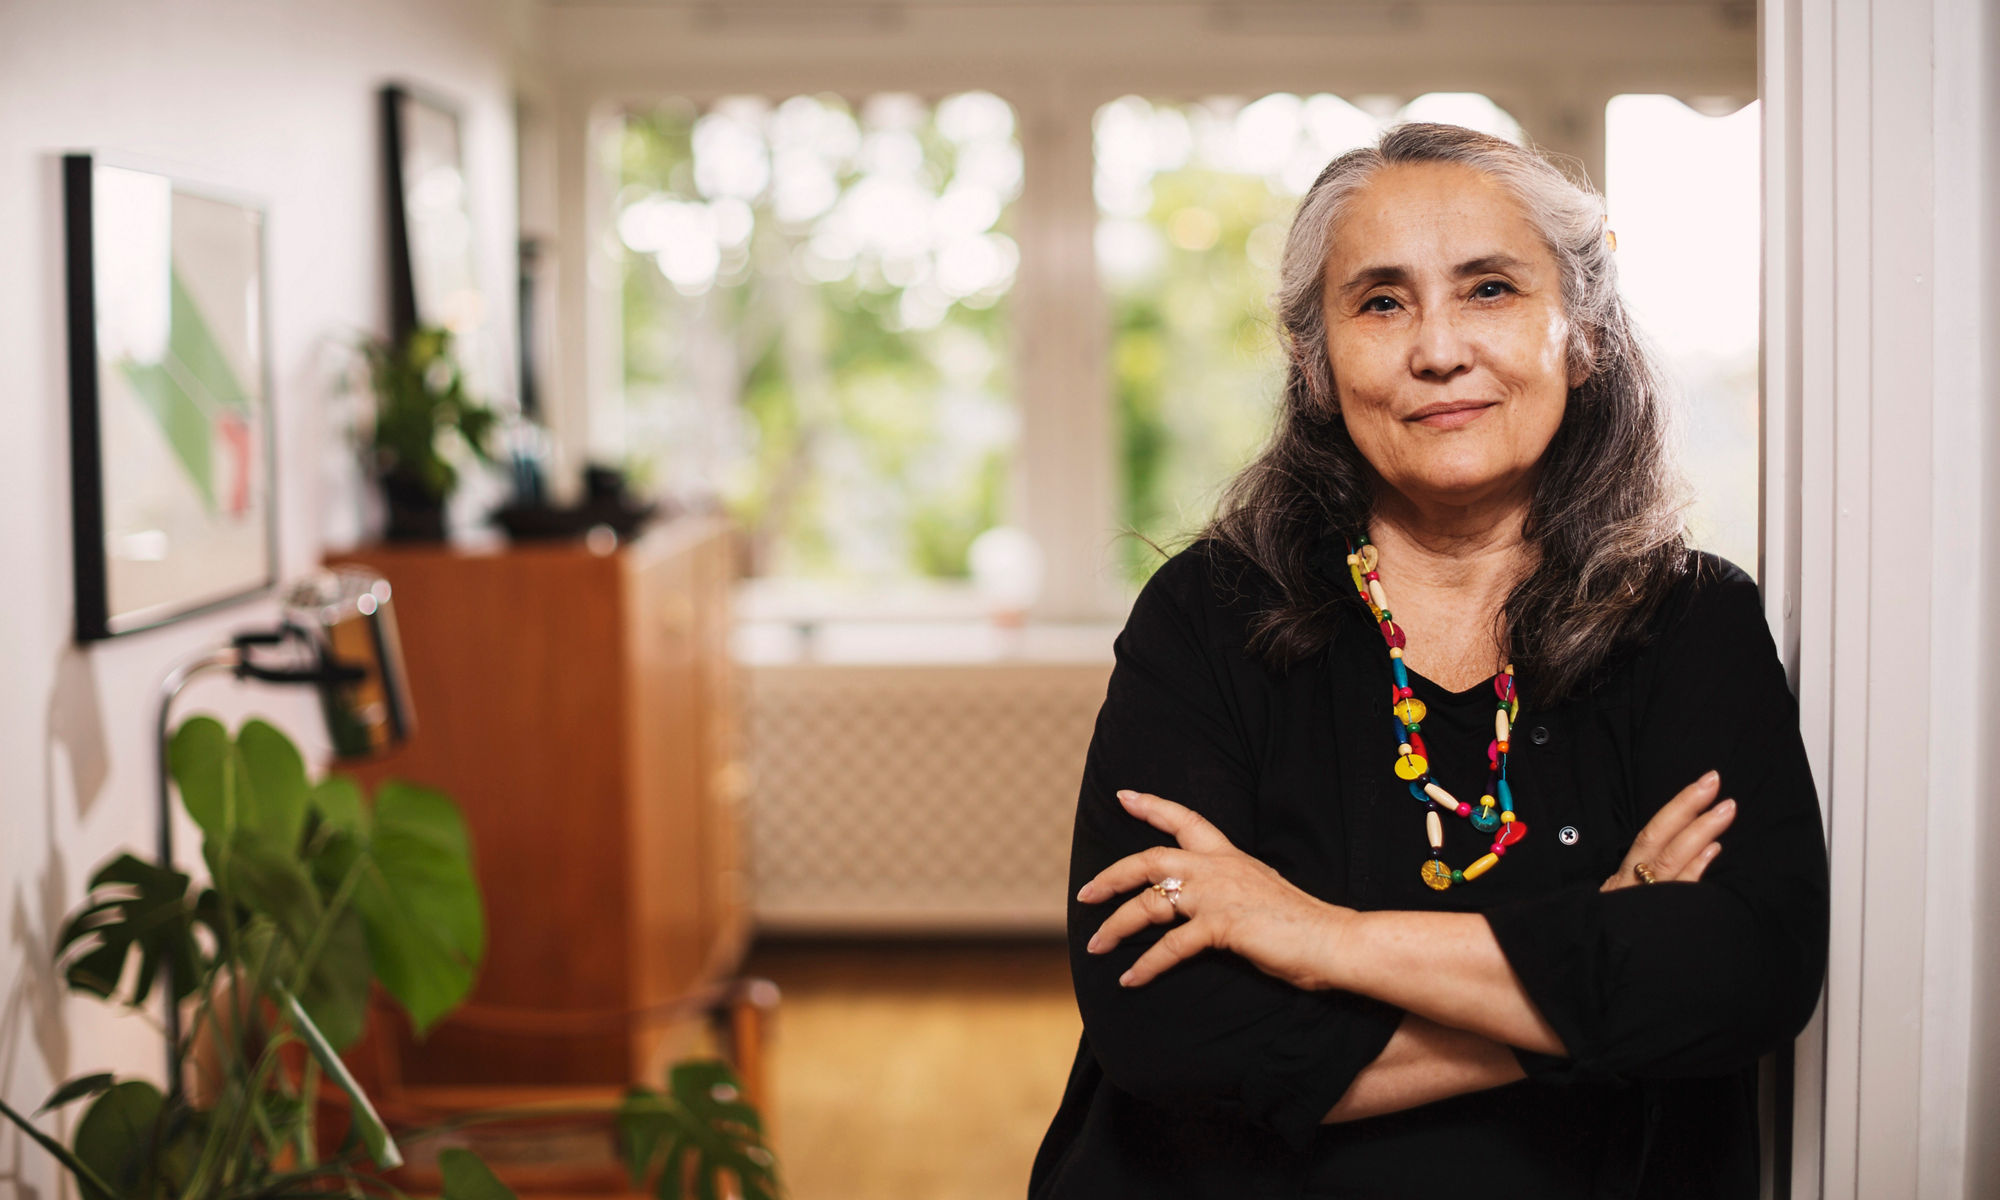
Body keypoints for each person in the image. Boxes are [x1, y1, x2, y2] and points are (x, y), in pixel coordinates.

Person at [1027, 122, 1828, 1199]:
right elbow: (1165, 1022)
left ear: (1580, 333)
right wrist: (1583, 981)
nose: (1437, 348)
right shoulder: (1207, 614)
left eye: (1489, 289)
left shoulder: (1689, 621)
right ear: (1314, 365)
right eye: (1380, 301)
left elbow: (1739, 976)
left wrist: (1317, 938)